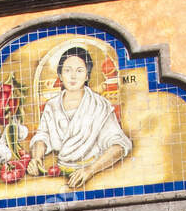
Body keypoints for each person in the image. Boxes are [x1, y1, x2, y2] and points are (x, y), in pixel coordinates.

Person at [27, 45, 132, 189]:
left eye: (79, 70)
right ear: (60, 75)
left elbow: (118, 145)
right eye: (67, 70)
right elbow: (42, 136)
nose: (73, 76)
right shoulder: (52, 106)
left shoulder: (100, 106)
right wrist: (36, 158)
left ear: (87, 75)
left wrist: (90, 170)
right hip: (59, 175)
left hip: (96, 176)